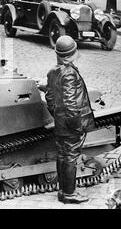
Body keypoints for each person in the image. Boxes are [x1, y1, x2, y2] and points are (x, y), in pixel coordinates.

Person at [45, 35, 94, 204]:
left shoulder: (53, 71)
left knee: (62, 154)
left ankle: (62, 190)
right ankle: (70, 193)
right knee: (71, 156)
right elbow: (71, 104)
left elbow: (50, 99)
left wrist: (58, 117)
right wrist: (75, 125)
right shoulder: (69, 73)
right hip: (70, 124)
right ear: (72, 53)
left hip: (60, 122)